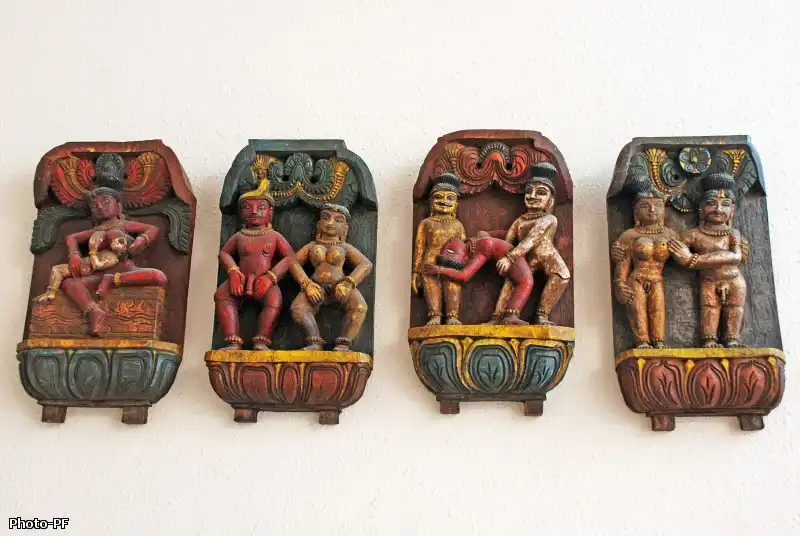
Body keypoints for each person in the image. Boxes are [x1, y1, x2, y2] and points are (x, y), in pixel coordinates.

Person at [55, 153, 166, 336]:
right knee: (69, 284)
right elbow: (72, 238)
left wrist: (142, 240)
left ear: (119, 207)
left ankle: (113, 280)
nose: (99, 207)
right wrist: (74, 255)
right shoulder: (96, 230)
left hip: (126, 270)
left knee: (159, 277)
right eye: (94, 206)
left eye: (105, 201)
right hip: (97, 272)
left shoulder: (123, 225)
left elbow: (152, 229)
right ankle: (92, 311)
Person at [668, 172, 749, 348]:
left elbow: (736, 257)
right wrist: (682, 257)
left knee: (735, 308)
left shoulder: (733, 234)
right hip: (709, 279)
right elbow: (675, 251)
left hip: (734, 278)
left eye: (725, 204)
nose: (718, 209)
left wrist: (693, 260)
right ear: (701, 209)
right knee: (710, 308)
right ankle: (709, 339)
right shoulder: (694, 235)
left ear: (732, 210)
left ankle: (732, 339)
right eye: (711, 203)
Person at [214, 179, 295, 350]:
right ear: (240, 212)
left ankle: (262, 339)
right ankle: (232, 339)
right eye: (247, 207)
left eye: (261, 207)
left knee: (274, 301)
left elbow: (289, 258)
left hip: (264, 280)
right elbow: (224, 253)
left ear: (270, 212)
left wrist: (271, 277)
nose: (254, 212)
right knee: (222, 296)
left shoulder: (274, 236)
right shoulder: (240, 236)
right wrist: (233, 271)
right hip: (241, 279)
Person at [289, 204, 372, 351]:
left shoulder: (345, 247)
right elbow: (293, 263)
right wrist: (307, 284)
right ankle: (314, 341)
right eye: (325, 217)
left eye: (338, 220)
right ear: (318, 224)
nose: (330, 223)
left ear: (345, 228)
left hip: (340, 286)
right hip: (315, 286)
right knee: (298, 309)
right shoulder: (312, 246)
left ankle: (344, 343)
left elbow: (366, 264)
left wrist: (348, 283)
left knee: (359, 307)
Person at [495, 163, 570, 325]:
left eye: (541, 192)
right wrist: (502, 256)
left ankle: (542, 314)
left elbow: (531, 240)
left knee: (562, 275)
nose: (532, 196)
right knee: (512, 280)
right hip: (525, 257)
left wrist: (510, 257)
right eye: (528, 191)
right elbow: (507, 243)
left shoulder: (549, 219)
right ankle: (499, 316)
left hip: (547, 257)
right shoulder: (520, 221)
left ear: (550, 201)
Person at [611, 173, 679, 348]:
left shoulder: (670, 235)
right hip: (636, 279)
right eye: (645, 206)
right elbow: (623, 262)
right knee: (638, 310)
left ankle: (659, 342)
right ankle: (642, 341)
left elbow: (684, 256)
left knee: (658, 310)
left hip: (657, 279)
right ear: (636, 212)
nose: (652, 210)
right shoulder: (630, 235)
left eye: (657, 205)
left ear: (663, 209)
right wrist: (619, 284)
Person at [411, 173, 466, 325]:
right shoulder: (426, 223)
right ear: (431, 202)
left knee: (452, 287)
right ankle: (434, 314)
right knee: (431, 287)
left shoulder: (457, 225)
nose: (444, 201)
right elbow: (419, 248)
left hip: (452, 263)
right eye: (438, 197)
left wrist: (463, 265)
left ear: (456, 204)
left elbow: (463, 247)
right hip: (429, 262)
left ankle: (452, 315)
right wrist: (415, 272)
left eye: (450, 198)